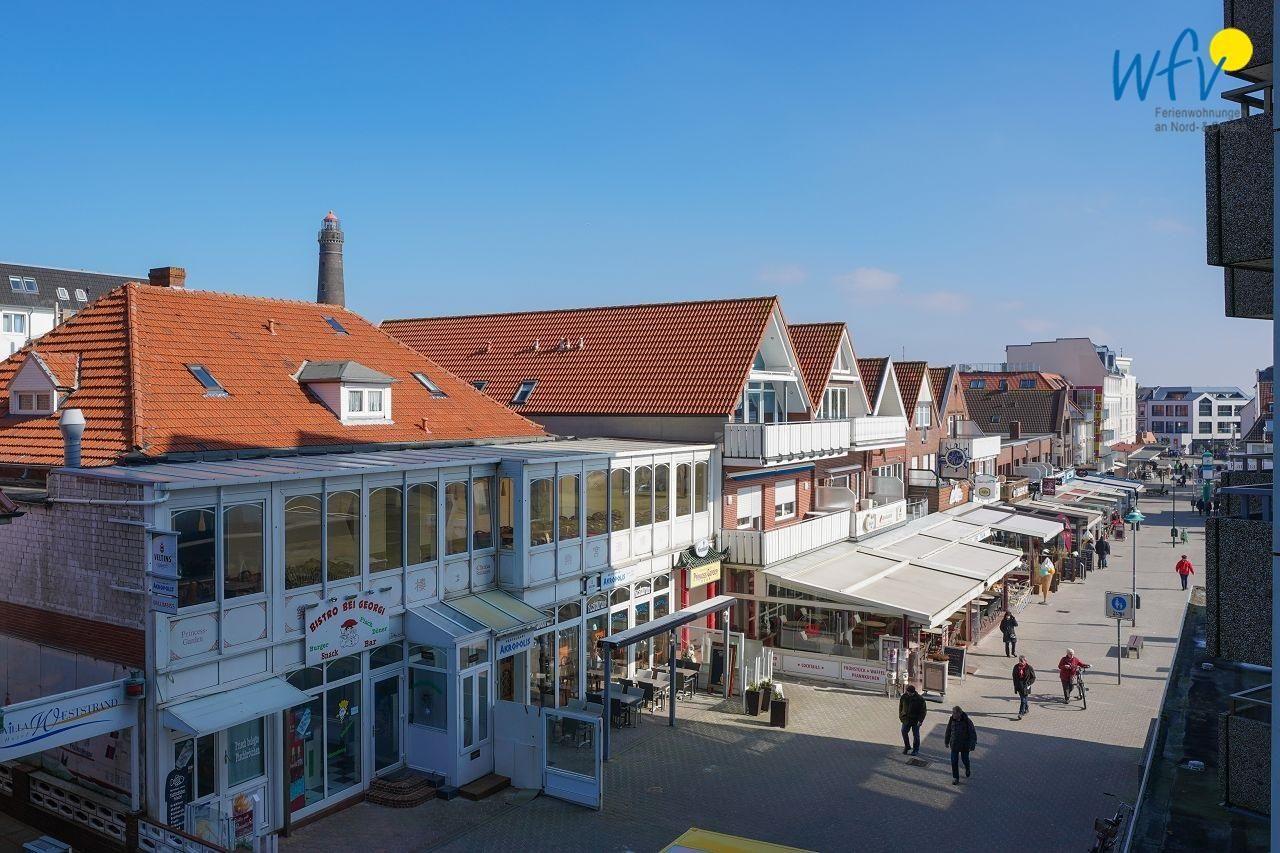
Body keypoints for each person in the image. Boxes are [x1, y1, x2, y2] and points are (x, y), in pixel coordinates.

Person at [944, 706, 977, 785]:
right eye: (953, 713)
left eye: (955, 713)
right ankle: (956, 778)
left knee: (965, 759)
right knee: (954, 761)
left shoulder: (967, 721)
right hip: (954, 744)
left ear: (960, 713)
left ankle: (967, 768)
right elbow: (948, 730)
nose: (953, 715)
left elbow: (972, 733)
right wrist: (946, 741)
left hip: (964, 745)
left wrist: (972, 744)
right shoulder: (952, 720)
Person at [898, 684, 927, 755]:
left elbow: (923, 711)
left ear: (913, 692)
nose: (908, 694)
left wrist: (920, 720)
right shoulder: (904, 697)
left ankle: (915, 750)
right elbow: (900, 707)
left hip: (916, 720)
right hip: (906, 719)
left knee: (916, 735)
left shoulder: (920, 699)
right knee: (904, 732)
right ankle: (907, 746)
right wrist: (901, 716)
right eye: (907, 692)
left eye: (909, 693)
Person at [1012, 655, 1036, 720]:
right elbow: (1014, 677)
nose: (1020, 662)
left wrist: (1028, 683)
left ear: (1025, 661)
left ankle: (1020, 713)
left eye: (1022, 661)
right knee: (1024, 699)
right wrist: (1015, 685)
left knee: (1023, 700)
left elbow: (1033, 677)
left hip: (1026, 686)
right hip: (1019, 686)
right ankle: (1026, 708)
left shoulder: (1029, 668)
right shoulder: (1016, 667)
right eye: (1019, 661)